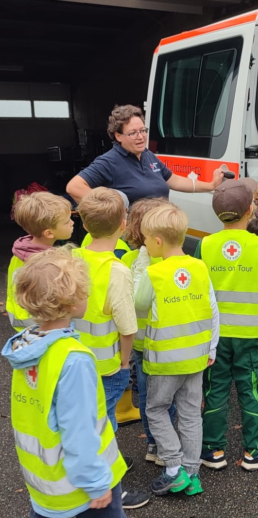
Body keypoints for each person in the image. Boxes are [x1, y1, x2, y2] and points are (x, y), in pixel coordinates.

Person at [2, 247, 128, 518]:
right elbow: (79, 430)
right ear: (71, 303)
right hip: (83, 486)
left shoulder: (27, 346)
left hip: (45, 484)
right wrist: (96, 484)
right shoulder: (74, 360)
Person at [196, 178, 258, 471]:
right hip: (249, 334)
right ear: (251, 209)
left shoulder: (204, 245)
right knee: (251, 390)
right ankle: (257, 450)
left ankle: (211, 450)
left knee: (215, 389)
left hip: (215, 336)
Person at [133, 204, 219, 497]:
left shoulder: (154, 272)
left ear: (157, 241)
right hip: (196, 356)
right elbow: (213, 309)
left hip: (164, 360)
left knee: (156, 409)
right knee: (192, 414)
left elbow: (138, 304)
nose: (143, 243)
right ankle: (192, 473)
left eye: (145, 238)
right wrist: (212, 348)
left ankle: (173, 467)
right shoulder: (199, 266)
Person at [73, 188, 150, 510]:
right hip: (106, 365)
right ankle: (109, 488)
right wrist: (123, 362)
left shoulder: (75, 257)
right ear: (123, 224)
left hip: (76, 360)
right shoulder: (116, 270)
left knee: (88, 419)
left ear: (85, 226)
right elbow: (127, 327)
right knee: (103, 426)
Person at [66, 105, 224, 205]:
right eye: (133, 133)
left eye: (142, 131)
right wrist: (109, 211)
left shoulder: (148, 155)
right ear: (118, 136)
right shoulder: (108, 162)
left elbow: (174, 180)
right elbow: (74, 187)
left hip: (159, 233)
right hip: (135, 240)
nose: (140, 137)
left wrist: (210, 186)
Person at [121, 197, 176, 465]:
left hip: (140, 342)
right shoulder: (170, 261)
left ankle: (153, 444)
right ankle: (168, 443)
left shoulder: (129, 260)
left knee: (146, 396)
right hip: (165, 343)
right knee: (167, 399)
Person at [7, 192, 74, 332]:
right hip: (42, 326)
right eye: (67, 221)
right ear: (49, 233)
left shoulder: (19, 252)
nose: (72, 223)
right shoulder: (50, 265)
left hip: (21, 323)